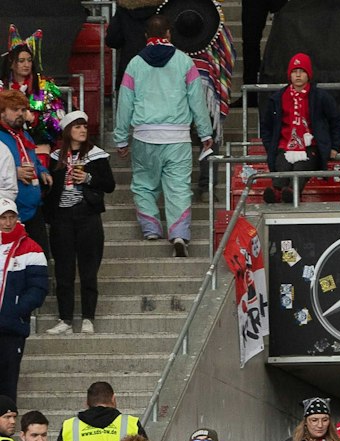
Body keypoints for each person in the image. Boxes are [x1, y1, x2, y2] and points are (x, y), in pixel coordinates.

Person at [110, 15, 213, 254]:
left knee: (144, 185)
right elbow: (197, 101)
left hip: (145, 136)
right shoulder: (185, 63)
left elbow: (124, 104)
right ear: (169, 34)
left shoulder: (135, 64)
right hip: (177, 138)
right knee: (178, 187)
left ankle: (151, 228)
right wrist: (205, 132)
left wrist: (121, 138)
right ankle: (178, 235)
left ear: (146, 36)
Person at [40, 110, 111, 337]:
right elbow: (49, 188)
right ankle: (66, 319)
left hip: (87, 217)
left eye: (84, 127)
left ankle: (88, 317)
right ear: (68, 131)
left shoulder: (97, 156)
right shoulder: (56, 157)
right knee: (63, 270)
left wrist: (89, 179)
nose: (82, 131)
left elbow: (109, 185)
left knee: (89, 270)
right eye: (77, 127)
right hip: (62, 219)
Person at [258, 54, 340, 204]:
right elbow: (266, 127)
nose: (298, 75)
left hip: (311, 148)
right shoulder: (278, 98)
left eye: (302, 71)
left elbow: (337, 121)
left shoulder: (321, 97)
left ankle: (292, 192)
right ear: (289, 75)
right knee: (282, 169)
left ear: (308, 74)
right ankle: (277, 192)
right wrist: (270, 146)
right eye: (294, 71)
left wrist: (335, 146)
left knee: (301, 167)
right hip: (284, 147)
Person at [0, 200, 45, 400]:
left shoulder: (32, 248)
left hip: (12, 328)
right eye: (3, 218)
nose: (8, 222)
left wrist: (16, 310)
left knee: (8, 386)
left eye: (12, 217)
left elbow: (38, 288)